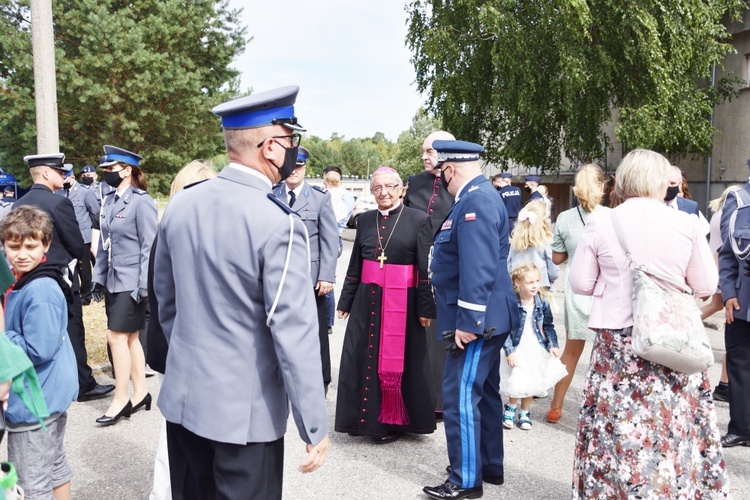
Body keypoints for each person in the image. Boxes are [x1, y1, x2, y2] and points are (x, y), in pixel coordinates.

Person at [153, 85, 329, 499]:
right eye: (290, 140)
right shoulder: (279, 223)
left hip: (183, 403)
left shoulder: (181, 204)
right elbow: (294, 334)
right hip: (244, 417)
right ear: (270, 147)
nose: (291, 150)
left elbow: (167, 302)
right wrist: (314, 425)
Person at [569, 149, 726, 497]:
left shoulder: (601, 221)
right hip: (671, 343)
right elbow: (706, 286)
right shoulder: (686, 222)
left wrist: (612, 284)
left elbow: (580, 283)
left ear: (623, 182)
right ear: (661, 183)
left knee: (615, 432)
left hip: (618, 344)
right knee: (672, 429)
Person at [424, 140, 519, 500]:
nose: (440, 180)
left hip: (477, 322)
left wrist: (468, 322)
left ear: (451, 168)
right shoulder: (477, 196)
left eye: (441, 173)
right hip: (487, 318)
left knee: (460, 393)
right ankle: (489, 466)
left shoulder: (475, 200)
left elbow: (477, 269)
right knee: (486, 393)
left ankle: (464, 479)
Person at [335, 166, 436, 444]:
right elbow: (355, 264)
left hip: (403, 301)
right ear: (371, 191)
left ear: (401, 189)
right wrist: (346, 300)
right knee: (360, 355)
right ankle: (363, 421)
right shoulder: (365, 220)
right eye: (378, 188)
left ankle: (396, 422)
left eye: (390, 187)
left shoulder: (418, 219)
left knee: (403, 360)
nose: (384, 193)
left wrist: (426, 307)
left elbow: (425, 267)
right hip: (367, 299)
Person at [15, 153, 113, 403]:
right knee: (72, 329)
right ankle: (83, 384)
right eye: (59, 171)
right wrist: (84, 277)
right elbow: (76, 244)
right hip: (60, 278)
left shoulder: (19, 203)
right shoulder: (59, 203)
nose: (64, 175)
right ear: (46, 173)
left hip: (26, 278)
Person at [147, 160, 217, 500]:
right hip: (176, 348)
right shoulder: (173, 233)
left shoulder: (174, 230)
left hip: (180, 347)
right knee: (174, 431)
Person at [2, 205, 78, 499]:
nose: (22, 254)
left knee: (31, 482)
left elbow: (38, 348)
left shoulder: (40, 289)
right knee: (54, 465)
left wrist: (2, 338)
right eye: (13, 246)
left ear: (46, 244)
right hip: (48, 397)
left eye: (31, 246)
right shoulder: (30, 279)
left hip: (35, 402)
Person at [91, 145, 157, 426]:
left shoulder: (141, 201)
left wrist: (143, 286)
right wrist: (97, 276)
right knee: (129, 338)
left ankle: (120, 399)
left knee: (115, 337)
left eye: (111, 169)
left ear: (127, 170)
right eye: (104, 170)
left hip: (132, 283)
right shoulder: (111, 201)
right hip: (114, 281)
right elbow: (107, 245)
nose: (106, 174)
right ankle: (140, 392)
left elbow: (149, 247)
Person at [273, 146, 338, 394]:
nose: (294, 171)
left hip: (311, 279)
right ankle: (281, 378)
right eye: (290, 166)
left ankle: (320, 380)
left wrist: (326, 276)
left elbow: (330, 240)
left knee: (317, 331)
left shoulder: (320, 198)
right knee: (278, 328)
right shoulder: (271, 195)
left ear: (305, 169)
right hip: (278, 275)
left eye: (299, 166)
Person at [546, 164, 606, 424]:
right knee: (607, 353)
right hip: (606, 287)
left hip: (577, 287)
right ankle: (604, 409)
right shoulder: (612, 217)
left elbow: (557, 257)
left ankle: (556, 407)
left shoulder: (566, 218)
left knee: (571, 351)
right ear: (602, 187)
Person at [403, 129, 455, 419]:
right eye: (423, 151)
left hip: (446, 270)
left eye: (430, 151)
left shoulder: (457, 183)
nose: (424, 156)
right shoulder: (415, 182)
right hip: (415, 268)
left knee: (440, 339)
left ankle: (440, 401)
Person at [500, 263, 565, 431]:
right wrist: (510, 351)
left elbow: (548, 326)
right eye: (530, 282)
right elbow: (505, 328)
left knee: (531, 378)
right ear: (517, 282)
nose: (535, 285)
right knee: (517, 377)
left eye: (537, 281)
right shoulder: (511, 301)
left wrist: (553, 345)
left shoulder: (542, 302)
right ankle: (511, 407)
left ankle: (524, 411)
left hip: (536, 345)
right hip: (517, 345)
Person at [718, 159, 750, 448]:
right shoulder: (739, 201)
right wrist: (727, 293)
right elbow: (727, 253)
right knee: (740, 366)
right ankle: (741, 428)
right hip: (743, 301)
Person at [701, 186, 740, 403]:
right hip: (724, 272)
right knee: (731, 319)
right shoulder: (730, 215)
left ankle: (725, 383)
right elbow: (725, 247)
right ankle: (725, 382)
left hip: (718, 270)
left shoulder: (717, 214)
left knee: (720, 308)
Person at [56, 168, 94, 305]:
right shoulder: (59, 192)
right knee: (70, 266)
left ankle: (86, 294)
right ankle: (74, 291)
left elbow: (94, 213)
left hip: (83, 236)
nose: (63, 181)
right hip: (66, 235)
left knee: (84, 269)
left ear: (72, 177)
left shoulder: (85, 192)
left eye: (65, 178)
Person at [507, 200, 559, 289]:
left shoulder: (515, 241)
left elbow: (509, 266)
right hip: (541, 286)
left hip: (519, 287)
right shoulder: (546, 241)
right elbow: (553, 272)